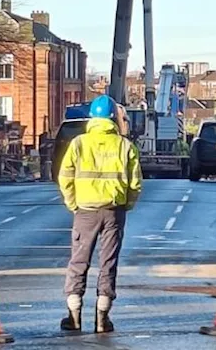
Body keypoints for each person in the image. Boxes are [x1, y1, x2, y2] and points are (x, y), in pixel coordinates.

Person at [57, 94, 143, 334]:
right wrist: (127, 204)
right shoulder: (125, 145)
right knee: (108, 263)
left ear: (92, 117)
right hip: (114, 210)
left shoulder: (79, 143)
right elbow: (135, 182)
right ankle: (102, 318)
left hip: (85, 210)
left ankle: (74, 317)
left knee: (78, 261)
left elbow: (65, 177)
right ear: (114, 118)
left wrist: (73, 203)